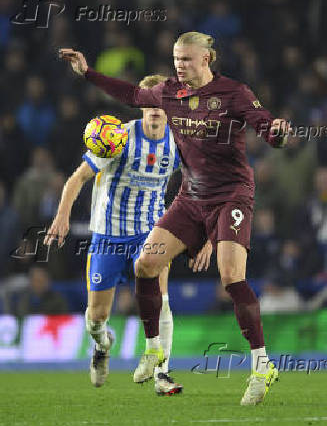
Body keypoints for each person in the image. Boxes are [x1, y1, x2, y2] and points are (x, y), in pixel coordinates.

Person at [59, 31, 290, 405]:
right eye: (176, 59)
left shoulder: (234, 93)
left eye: (186, 59)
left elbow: (265, 125)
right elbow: (131, 94)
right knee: (146, 265)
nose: (179, 66)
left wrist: (277, 134)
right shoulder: (168, 92)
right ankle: (153, 349)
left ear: (206, 59)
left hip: (231, 194)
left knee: (231, 277)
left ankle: (261, 363)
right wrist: (88, 73)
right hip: (191, 196)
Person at [45, 74, 210, 395]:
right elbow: (77, 179)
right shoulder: (118, 138)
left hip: (151, 232)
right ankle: (103, 343)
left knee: (161, 302)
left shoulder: (179, 143)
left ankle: (163, 374)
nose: (154, 110)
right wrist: (62, 216)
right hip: (108, 236)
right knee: (97, 317)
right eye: (148, 103)